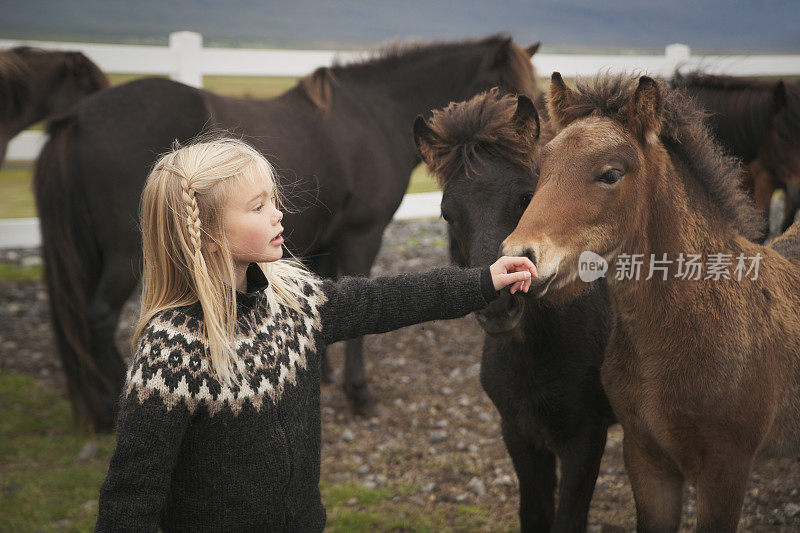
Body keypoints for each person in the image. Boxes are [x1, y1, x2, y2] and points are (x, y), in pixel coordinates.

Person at [94, 137, 536, 531]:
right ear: (208, 234)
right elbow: (133, 493)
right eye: (257, 207)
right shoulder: (172, 353)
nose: (278, 214)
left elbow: (383, 300)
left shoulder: (293, 301)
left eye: (273, 200)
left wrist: (481, 282)